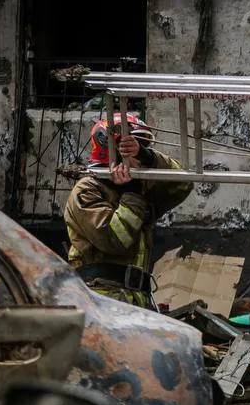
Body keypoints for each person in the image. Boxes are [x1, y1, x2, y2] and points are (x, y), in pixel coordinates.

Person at [64, 112, 192, 310]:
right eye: (132, 148)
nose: (138, 156)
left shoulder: (140, 187)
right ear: (110, 148)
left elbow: (183, 183)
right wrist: (131, 194)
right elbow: (114, 240)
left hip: (136, 297)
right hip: (100, 298)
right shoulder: (87, 189)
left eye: (140, 147)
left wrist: (148, 157)